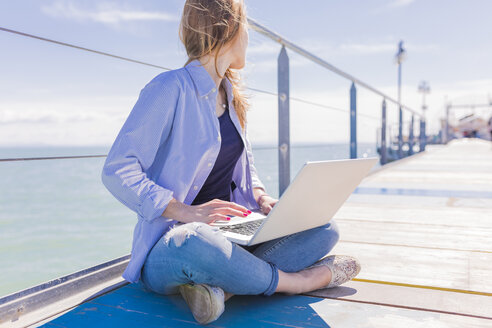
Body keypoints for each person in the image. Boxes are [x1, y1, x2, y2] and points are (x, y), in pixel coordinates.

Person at [101, 0, 360, 324]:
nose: (249, 36)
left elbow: (244, 168)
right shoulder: (169, 88)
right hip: (175, 242)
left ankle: (222, 289)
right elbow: (116, 170)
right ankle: (297, 282)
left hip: (233, 232)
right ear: (229, 27)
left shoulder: (231, 94)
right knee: (197, 242)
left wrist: (263, 199)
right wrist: (185, 211)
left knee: (322, 228)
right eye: (247, 26)